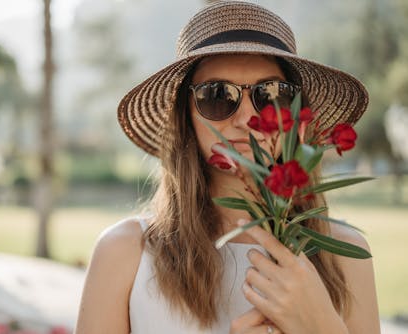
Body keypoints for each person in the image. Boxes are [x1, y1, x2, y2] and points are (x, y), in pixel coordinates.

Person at [75, 1, 380, 333]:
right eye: (217, 95)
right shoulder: (125, 254)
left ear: (294, 116)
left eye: (271, 94)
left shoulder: (345, 257)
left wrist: (321, 324)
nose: (247, 118)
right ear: (185, 118)